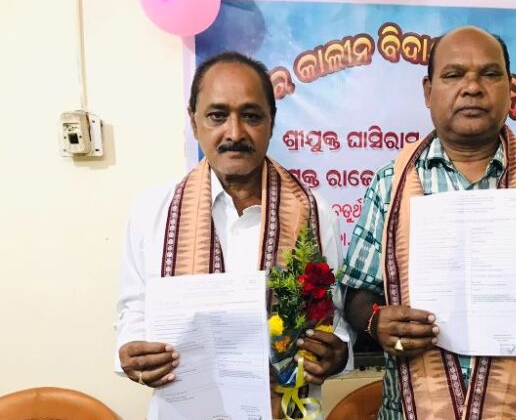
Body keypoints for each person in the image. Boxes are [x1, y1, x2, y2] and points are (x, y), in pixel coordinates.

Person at [341, 26, 516, 419]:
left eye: (489, 74)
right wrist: (375, 321)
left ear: (510, 89)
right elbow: (355, 293)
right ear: (428, 92)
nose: (472, 88)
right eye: (453, 75)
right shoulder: (390, 184)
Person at [114, 52, 352, 419]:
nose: (235, 133)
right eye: (217, 115)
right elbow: (134, 310)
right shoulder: (152, 212)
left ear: (272, 122)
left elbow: (334, 317)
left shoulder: (313, 211)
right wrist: (131, 351)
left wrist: (338, 352)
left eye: (251, 116)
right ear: (194, 122)